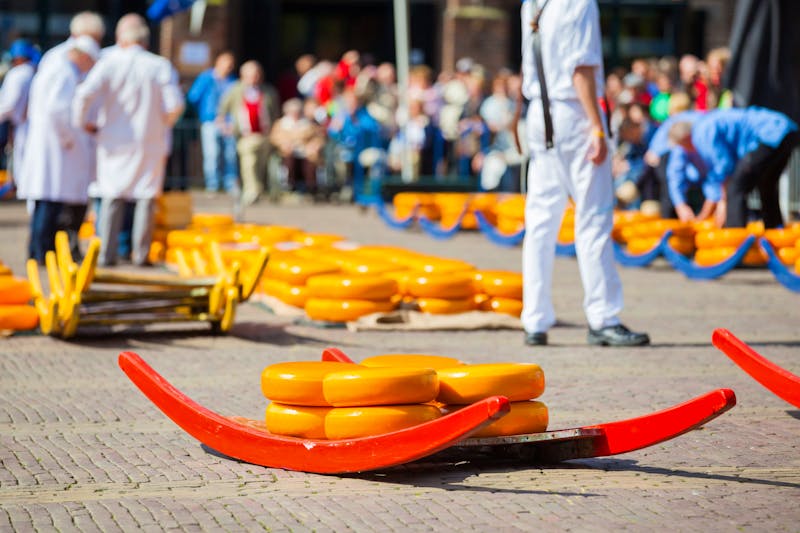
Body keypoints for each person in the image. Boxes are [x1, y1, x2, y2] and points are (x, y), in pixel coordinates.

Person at [519, 0, 649, 347]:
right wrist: (596, 126)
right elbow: (582, 68)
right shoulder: (578, 3)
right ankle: (603, 316)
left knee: (541, 221)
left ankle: (534, 318)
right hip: (573, 114)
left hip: (540, 112)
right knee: (593, 216)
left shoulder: (533, 3)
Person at [73, 13, 184, 267]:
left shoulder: (109, 62)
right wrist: (161, 123)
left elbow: (84, 94)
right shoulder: (159, 65)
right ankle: (140, 255)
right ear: (145, 41)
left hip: (113, 140)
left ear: (122, 40)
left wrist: (84, 123)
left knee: (112, 196)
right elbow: (175, 104)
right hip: (149, 140)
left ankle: (105, 254)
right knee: (145, 197)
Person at [18, 36, 99, 262]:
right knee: (49, 205)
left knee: (46, 202)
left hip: (49, 144)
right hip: (54, 146)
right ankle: (42, 253)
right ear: (83, 56)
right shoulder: (65, 72)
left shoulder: (55, 67)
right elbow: (57, 111)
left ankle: (39, 251)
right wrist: (69, 138)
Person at [668, 107, 799, 228]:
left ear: (685, 138)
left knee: (735, 187)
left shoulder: (701, 134)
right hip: (786, 130)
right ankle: (775, 231)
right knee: (766, 184)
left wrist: (721, 203)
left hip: (768, 134)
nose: (686, 151)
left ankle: (736, 240)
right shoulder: (706, 124)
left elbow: (724, 165)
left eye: (683, 147)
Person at [218, 60, 279, 205]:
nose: (254, 77)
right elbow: (221, 111)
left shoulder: (268, 91)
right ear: (243, 75)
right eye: (251, 74)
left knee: (263, 165)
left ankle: (260, 190)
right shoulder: (235, 90)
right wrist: (225, 126)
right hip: (246, 135)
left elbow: (275, 113)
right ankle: (251, 191)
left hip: (265, 135)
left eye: (257, 74)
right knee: (249, 162)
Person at [186, 51, 238, 194]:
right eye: (226, 65)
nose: (228, 68)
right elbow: (193, 97)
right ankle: (212, 184)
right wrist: (205, 114)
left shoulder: (233, 81)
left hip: (228, 123)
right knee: (212, 154)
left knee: (230, 154)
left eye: (231, 65)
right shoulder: (206, 78)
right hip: (210, 121)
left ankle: (230, 184)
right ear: (218, 63)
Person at [0, 40, 37, 192]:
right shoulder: (33, 71)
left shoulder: (18, 73)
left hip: (22, 123)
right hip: (28, 123)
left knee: (22, 160)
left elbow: (9, 103)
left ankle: (24, 190)